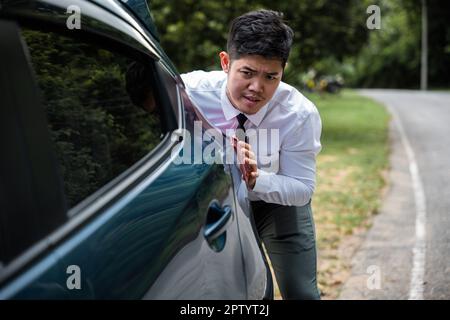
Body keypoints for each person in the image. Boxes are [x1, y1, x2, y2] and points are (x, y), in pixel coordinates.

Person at [181, 9, 322, 300]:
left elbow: (302, 189)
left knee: (301, 292)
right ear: (225, 62)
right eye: (247, 73)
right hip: (218, 203)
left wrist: (257, 179)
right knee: (255, 294)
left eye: (271, 76)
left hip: (277, 204)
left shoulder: (299, 113)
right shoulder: (188, 90)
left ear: (283, 71)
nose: (257, 88)